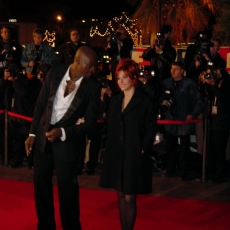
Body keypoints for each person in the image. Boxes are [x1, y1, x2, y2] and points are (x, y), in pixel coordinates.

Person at [25, 45, 101, 230]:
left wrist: (64, 132)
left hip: (67, 143)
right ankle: (45, 225)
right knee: (41, 186)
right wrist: (32, 133)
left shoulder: (93, 86)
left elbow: (90, 121)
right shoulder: (56, 70)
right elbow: (41, 103)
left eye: (94, 66)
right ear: (77, 61)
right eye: (90, 65)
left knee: (68, 190)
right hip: (43, 136)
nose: (93, 69)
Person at [99, 58, 157, 230]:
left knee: (129, 198)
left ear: (134, 78)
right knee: (120, 194)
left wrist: (142, 148)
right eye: (119, 78)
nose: (121, 81)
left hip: (134, 153)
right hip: (117, 153)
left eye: (125, 77)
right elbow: (109, 124)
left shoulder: (145, 100)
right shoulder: (116, 100)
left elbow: (151, 128)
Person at [160, 61, 206, 180]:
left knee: (184, 149)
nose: (173, 71)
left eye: (176, 69)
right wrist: (162, 104)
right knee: (170, 147)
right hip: (170, 120)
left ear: (182, 71)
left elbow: (200, 102)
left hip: (184, 120)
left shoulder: (189, 83)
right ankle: (170, 170)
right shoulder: (166, 83)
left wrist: (192, 114)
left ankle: (184, 173)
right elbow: (160, 98)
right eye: (171, 68)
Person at [1, 64, 42, 168]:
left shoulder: (29, 82)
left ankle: (31, 162)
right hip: (14, 115)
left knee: (29, 140)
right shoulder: (11, 83)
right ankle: (16, 160)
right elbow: (4, 93)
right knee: (16, 140)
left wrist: (15, 81)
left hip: (26, 116)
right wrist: (6, 80)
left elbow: (23, 93)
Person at [200, 67, 230, 183]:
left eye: (216, 72)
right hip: (212, 120)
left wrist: (213, 84)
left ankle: (219, 174)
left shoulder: (227, 83)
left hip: (223, 121)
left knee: (220, 149)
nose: (214, 74)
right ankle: (212, 172)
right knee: (212, 148)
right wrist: (206, 83)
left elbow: (224, 98)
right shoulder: (215, 83)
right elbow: (205, 94)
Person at [107, 27, 133, 94]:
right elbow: (110, 54)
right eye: (120, 33)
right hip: (115, 64)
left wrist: (121, 43)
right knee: (115, 80)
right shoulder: (114, 42)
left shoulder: (128, 41)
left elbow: (128, 48)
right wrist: (109, 44)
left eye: (123, 33)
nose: (122, 35)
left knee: (124, 78)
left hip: (124, 64)